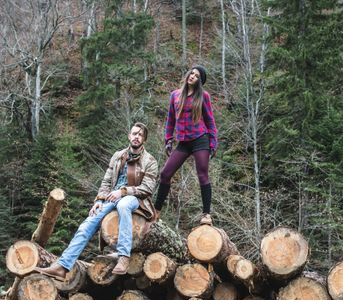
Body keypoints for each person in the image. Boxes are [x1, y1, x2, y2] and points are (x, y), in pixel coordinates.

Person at [38, 123, 158, 280]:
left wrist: (122, 192)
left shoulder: (150, 161)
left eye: (140, 135)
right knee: (88, 224)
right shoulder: (118, 156)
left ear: (144, 139)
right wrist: (99, 199)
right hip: (111, 197)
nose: (137, 137)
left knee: (123, 204)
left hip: (135, 199)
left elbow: (147, 189)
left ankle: (123, 257)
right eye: (134, 133)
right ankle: (62, 266)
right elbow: (106, 181)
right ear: (129, 136)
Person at [154, 65, 217, 225]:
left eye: (196, 76)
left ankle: (207, 215)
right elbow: (170, 119)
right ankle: (156, 212)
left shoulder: (204, 96)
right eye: (191, 73)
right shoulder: (175, 95)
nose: (192, 76)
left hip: (200, 138)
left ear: (199, 81)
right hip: (183, 142)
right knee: (165, 174)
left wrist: (213, 141)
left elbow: (210, 120)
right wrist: (168, 139)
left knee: (202, 174)